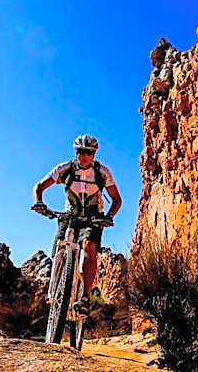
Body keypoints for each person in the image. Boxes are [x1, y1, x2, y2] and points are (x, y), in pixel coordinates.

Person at [32, 134, 122, 313]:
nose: (83, 156)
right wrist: (39, 202)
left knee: (89, 247)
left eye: (88, 152)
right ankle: (56, 286)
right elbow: (39, 186)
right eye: (80, 151)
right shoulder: (65, 169)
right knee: (60, 247)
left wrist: (109, 216)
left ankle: (85, 297)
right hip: (70, 214)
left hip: (93, 215)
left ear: (94, 154)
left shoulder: (102, 173)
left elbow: (117, 199)